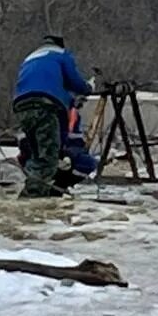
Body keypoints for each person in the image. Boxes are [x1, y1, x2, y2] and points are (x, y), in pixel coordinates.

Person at [13, 34, 93, 197]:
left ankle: (35, 189)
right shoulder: (61, 55)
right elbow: (75, 81)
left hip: (22, 105)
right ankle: (33, 197)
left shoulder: (30, 58)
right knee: (47, 158)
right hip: (45, 104)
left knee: (37, 153)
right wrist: (88, 87)